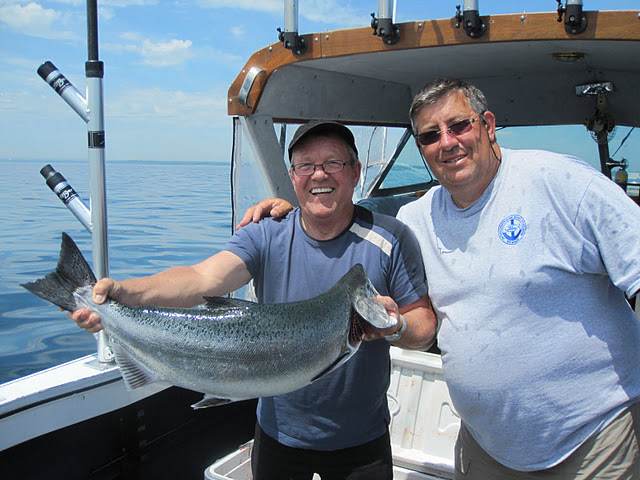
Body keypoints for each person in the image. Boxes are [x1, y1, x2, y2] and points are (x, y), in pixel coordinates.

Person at [241, 79, 640, 479]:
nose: (447, 143)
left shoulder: (562, 182)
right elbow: (341, 217)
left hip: (594, 439)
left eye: (459, 126)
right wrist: (290, 214)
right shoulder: (417, 218)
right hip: (487, 446)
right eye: (430, 135)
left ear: (488, 124)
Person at [70, 119, 436, 480]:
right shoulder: (267, 234)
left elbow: (423, 328)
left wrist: (396, 326)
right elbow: (202, 278)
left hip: (361, 442)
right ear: (293, 177)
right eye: (306, 166)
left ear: (355, 172)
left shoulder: (391, 237)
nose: (319, 175)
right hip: (278, 436)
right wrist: (121, 293)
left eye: (333, 164)